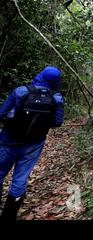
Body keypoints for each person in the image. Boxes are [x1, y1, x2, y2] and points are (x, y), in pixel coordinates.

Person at [0, 66, 64, 220]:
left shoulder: (21, 91)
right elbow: (57, 122)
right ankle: (9, 216)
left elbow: (1, 114)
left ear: (40, 74)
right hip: (33, 144)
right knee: (20, 178)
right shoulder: (57, 98)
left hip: (8, 141)